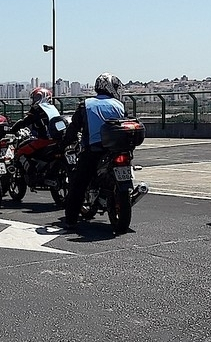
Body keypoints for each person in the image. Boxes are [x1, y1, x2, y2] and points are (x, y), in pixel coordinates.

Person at [62, 72, 126, 229]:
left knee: (78, 184)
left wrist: (64, 142)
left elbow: (74, 128)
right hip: (118, 148)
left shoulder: (86, 104)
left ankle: (70, 220)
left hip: (94, 149)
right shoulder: (119, 105)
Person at [10, 87, 62, 184]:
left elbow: (24, 122)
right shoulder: (53, 108)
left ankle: (32, 174)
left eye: (37, 97)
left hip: (44, 141)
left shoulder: (37, 109)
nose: (35, 100)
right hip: (57, 140)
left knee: (20, 151)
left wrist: (12, 130)